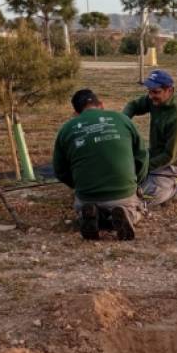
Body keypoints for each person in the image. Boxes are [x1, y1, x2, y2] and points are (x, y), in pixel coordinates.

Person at [53, 89, 148, 241]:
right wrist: (135, 181)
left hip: (87, 195)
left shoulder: (66, 129)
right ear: (102, 105)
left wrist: (78, 185)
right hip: (123, 192)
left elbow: (59, 170)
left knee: (85, 206)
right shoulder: (122, 119)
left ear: (76, 113)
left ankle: (92, 215)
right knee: (137, 209)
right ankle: (127, 214)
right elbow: (142, 157)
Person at [123, 69, 177, 204]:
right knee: (128, 176)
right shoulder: (154, 99)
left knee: (147, 195)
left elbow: (169, 156)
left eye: (156, 92)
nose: (151, 95)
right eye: (149, 91)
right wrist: (122, 122)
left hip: (176, 161)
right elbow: (133, 105)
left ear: (169, 90)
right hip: (156, 154)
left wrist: (143, 167)